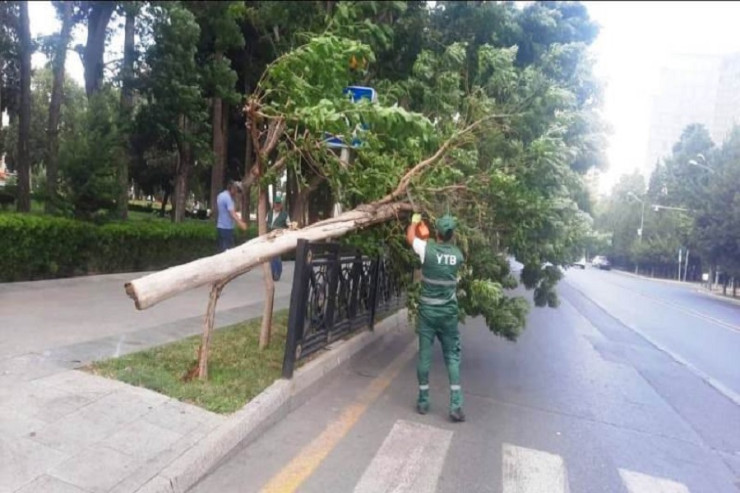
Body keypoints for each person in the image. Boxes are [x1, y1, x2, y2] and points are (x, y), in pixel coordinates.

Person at [406, 213, 466, 422]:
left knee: (424, 355)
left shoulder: (426, 249)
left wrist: (414, 222)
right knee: (452, 356)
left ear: (437, 233)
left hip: (428, 314)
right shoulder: (458, 256)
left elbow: (411, 238)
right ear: (452, 235)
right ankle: (456, 404)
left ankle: (423, 400)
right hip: (448, 315)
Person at [216, 180, 247, 253]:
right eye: (237, 191)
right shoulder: (228, 198)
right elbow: (232, 213)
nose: (237, 193)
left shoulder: (221, 195)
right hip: (227, 229)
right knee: (228, 252)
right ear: (233, 189)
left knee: (222, 250)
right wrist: (241, 223)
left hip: (220, 227)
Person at [267, 194, 291, 281]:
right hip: (270, 237)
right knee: (271, 256)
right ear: (273, 204)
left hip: (279, 237)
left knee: (276, 256)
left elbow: (289, 225)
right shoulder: (269, 213)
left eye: (279, 203)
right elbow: (265, 223)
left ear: (281, 205)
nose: (277, 205)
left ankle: (277, 273)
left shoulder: (285, 215)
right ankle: (273, 273)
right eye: (276, 203)